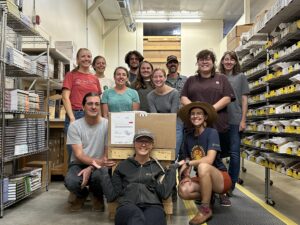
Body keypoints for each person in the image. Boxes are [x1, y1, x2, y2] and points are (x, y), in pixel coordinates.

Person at [93, 129, 185, 225]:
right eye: (140, 141)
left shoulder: (158, 167)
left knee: (154, 220)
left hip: (153, 205)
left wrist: (172, 169)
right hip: (127, 205)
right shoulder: (123, 166)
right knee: (135, 218)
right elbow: (111, 196)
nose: (144, 144)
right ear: (134, 144)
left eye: (147, 142)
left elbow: (164, 193)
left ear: (152, 145)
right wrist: (103, 172)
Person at [180, 49, 235, 206]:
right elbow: (183, 97)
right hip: (195, 126)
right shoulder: (191, 80)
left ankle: (222, 190)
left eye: (208, 59)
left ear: (213, 62)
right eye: (201, 59)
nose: (204, 62)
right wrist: (196, 111)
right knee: (198, 154)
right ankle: (207, 191)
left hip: (217, 123)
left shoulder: (221, 78)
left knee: (217, 158)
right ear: (197, 62)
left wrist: (208, 111)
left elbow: (227, 97)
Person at [177, 102, 232, 225]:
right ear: (189, 117)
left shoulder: (211, 133)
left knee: (203, 166)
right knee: (183, 190)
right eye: (193, 114)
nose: (195, 116)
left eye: (199, 114)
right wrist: (185, 177)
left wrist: (188, 162)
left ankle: (205, 209)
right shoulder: (188, 137)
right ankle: (209, 195)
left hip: (221, 178)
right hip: (203, 178)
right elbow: (185, 163)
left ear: (205, 117)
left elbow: (209, 160)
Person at [64, 92, 115, 212]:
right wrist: (93, 164)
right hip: (79, 163)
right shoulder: (75, 126)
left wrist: (91, 167)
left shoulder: (108, 125)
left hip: (100, 165)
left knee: (100, 177)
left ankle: (97, 196)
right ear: (83, 107)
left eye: (97, 104)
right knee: (71, 181)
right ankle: (82, 194)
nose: (94, 107)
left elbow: (106, 154)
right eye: (90, 104)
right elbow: (79, 155)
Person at [62, 48, 102, 161]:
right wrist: (72, 118)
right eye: (83, 56)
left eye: (89, 56)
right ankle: (74, 177)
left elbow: (98, 100)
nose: (86, 59)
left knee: (93, 151)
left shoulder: (95, 78)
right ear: (78, 60)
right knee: (75, 154)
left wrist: (101, 118)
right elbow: (65, 97)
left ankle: (91, 176)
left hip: (93, 117)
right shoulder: (71, 75)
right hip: (76, 115)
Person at [219, 51, 250, 194]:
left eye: (232, 59)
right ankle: (220, 182)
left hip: (235, 120)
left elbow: (244, 100)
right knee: (217, 153)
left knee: (234, 154)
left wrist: (243, 119)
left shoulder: (241, 77)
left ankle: (230, 185)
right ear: (222, 61)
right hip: (219, 120)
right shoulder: (218, 77)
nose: (229, 62)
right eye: (226, 59)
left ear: (236, 62)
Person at [165, 55, 188, 160]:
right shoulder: (163, 81)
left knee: (185, 147)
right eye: (170, 62)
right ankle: (172, 172)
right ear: (167, 65)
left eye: (174, 62)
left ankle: (183, 173)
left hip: (185, 117)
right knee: (172, 146)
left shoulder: (186, 80)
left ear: (178, 65)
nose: (172, 64)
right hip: (170, 118)